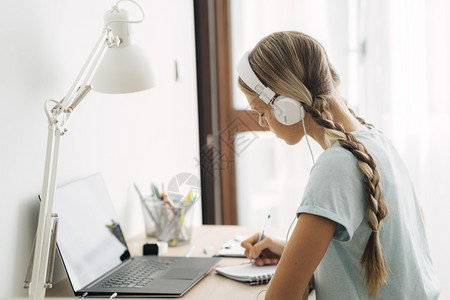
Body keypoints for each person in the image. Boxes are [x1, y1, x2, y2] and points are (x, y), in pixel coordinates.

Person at [237, 31, 440, 300]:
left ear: (286, 105)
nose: (263, 123)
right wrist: (289, 251)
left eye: (262, 112)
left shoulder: (336, 166)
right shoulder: (376, 140)